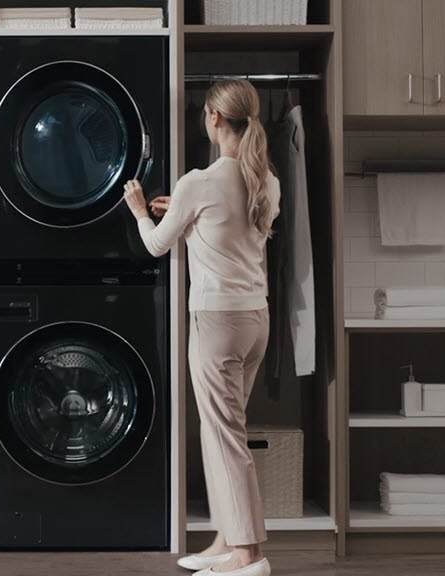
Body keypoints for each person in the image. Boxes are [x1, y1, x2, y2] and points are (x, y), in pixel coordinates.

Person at [123, 79, 280, 576]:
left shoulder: (199, 182)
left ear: (213, 117)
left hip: (217, 323)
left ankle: (248, 555)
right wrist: (185, 211)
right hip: (256, 320)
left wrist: (138, 209)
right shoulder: (266, 181)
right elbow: (227, 229)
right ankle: (224, 541)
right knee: (222, 433)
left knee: (224, 436)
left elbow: (155, 246)